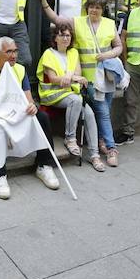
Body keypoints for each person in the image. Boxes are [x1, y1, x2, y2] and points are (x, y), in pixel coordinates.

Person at [41, 0, 122, 165]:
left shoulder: (109, 23)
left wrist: (108, 54)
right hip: (89, 79)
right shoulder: (78, 22)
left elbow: (119, 47)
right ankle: (111, 148)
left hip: (107, 77)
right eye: (91, 6)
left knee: (104, 110)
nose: (94, 10)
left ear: (103, 9)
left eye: (98, 7)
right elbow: (57, 19)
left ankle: (102, 143)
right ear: (87, 8)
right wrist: (45, 5)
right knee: (103, 113)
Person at [0, 37, 59, 199]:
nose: (14, 55)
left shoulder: (20, 70)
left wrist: (31, 106)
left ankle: (43, 165)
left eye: (15, 51)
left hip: (15, 114)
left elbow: (28, 100)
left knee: (41, 117)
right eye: (9, 52)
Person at [37, 23, 104, 171]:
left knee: (89, 114)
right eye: (61, 35)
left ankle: (94, 155)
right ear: (55, 38)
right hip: (51, 95)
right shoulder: (49, 53)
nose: (65, 38)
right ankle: (70, 138)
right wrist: (71, 77)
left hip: (70, 94)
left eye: (68, 35)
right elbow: (53, 78)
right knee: (76, 99)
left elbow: (78, 74)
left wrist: (73, 77)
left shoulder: (73, 52)